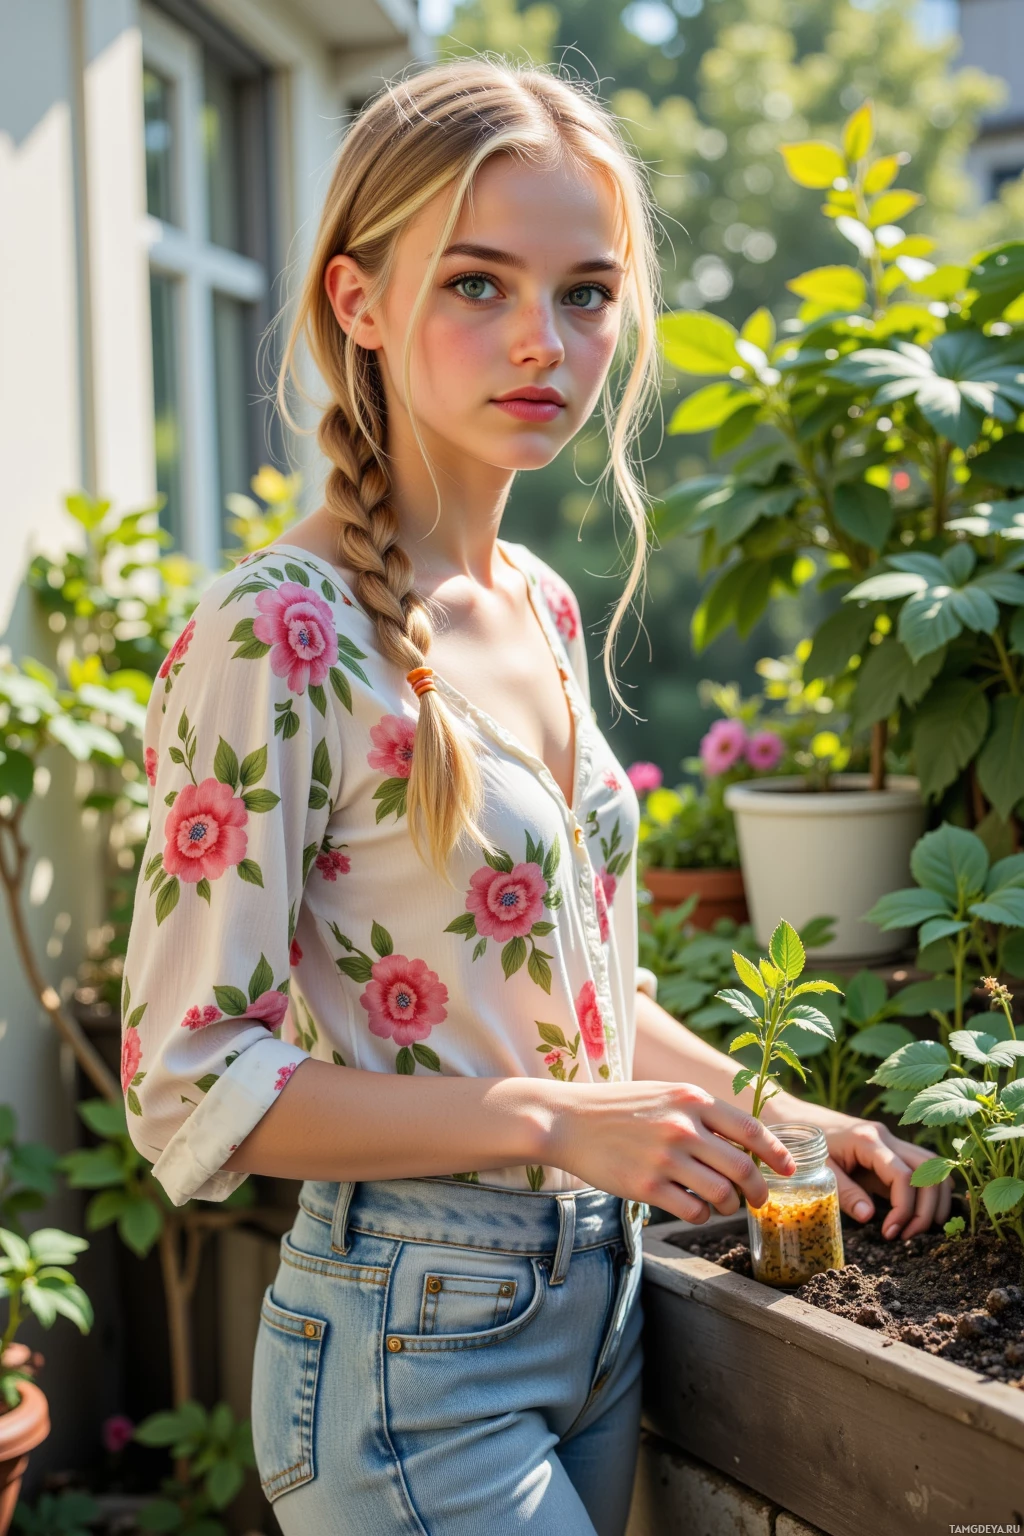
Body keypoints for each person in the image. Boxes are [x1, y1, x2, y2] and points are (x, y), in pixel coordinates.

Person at [121, 55, 953, 1536]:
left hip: (600, 1312)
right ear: (357, 302)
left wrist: (777, 1116)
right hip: (407, 1344)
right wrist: (547, 1124)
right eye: (477, 283)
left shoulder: (541, 605)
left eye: (585, 294)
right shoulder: (277, 633)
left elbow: (575, 1000)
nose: (541, 342)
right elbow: (192, 1084)